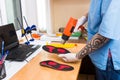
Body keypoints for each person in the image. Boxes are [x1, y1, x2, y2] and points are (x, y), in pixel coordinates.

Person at [58, 0, 120, 80]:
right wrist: (84, 18)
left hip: (108, 59)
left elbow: (105, 35)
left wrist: (77, 56)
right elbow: (98, 9)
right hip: (98, 54)